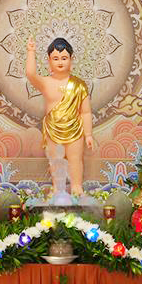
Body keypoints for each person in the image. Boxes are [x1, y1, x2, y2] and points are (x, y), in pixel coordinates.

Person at [26, 37, 95, 197]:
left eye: (64, 58)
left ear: (71, 60)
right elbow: (30, 74)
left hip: (75, 129)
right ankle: (58, 188)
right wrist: (31, 52)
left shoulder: (79, 85)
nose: (60, 62)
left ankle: (77, 187)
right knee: (55, 160)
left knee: (75, 159)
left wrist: (88, 134)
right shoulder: (45, 83)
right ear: (49, 61)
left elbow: (85, 112)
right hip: (53, 129)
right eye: (55, 58)